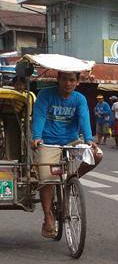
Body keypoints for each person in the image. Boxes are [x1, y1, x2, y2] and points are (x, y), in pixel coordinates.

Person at [30, 71, 100, 238]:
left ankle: (71, 178)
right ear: (58, 80)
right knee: (47, 178)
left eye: (72, 80)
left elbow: (84, 118)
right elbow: (39, 116)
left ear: (77, 82)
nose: (68, 83)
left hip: (71, 141)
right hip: (48, 141)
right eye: (64, 80)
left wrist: (89, 139)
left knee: (97, 155)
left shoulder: (79, 99)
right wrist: (37, 137)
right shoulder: (46, 94)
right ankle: (48, 216)